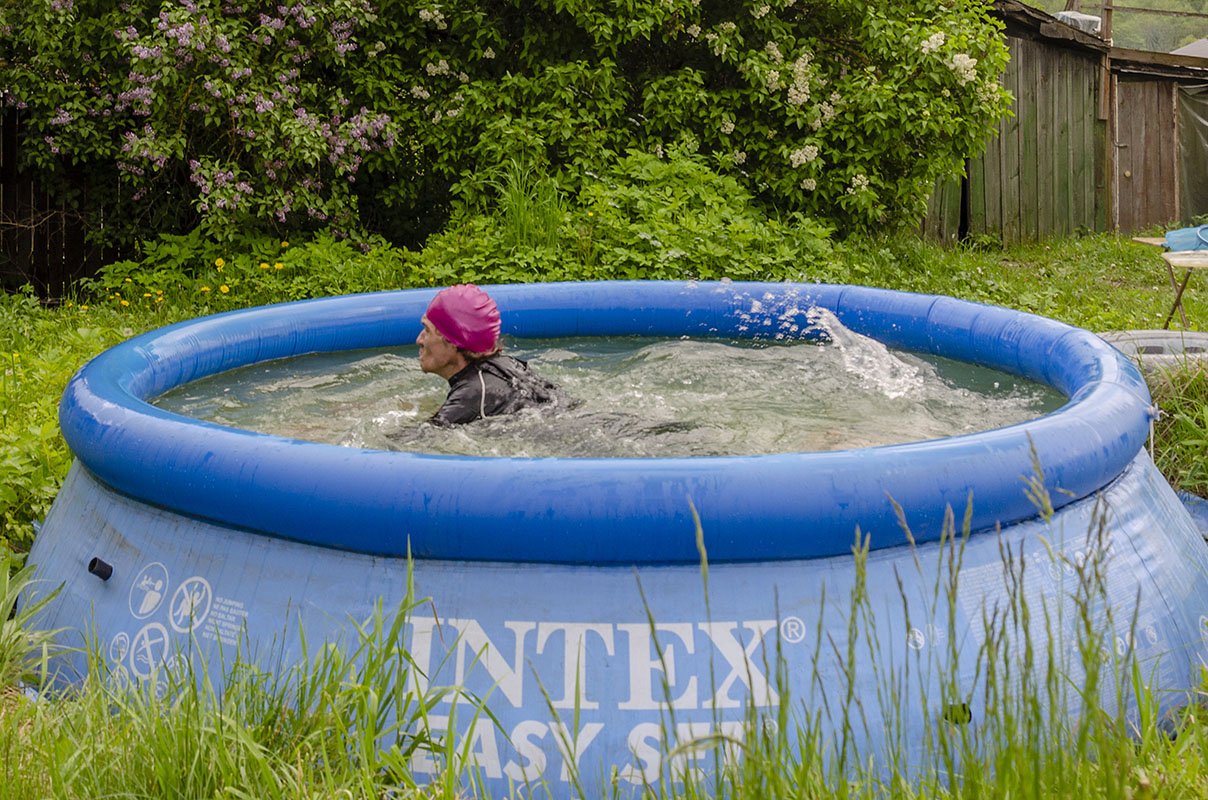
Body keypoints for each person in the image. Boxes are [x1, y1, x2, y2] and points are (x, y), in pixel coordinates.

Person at [416, 284, 564, 426]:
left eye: (427, 330)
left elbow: (411, 442)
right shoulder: (510, 365)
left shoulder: (472, 394)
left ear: (453, 341)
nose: (419, 340)